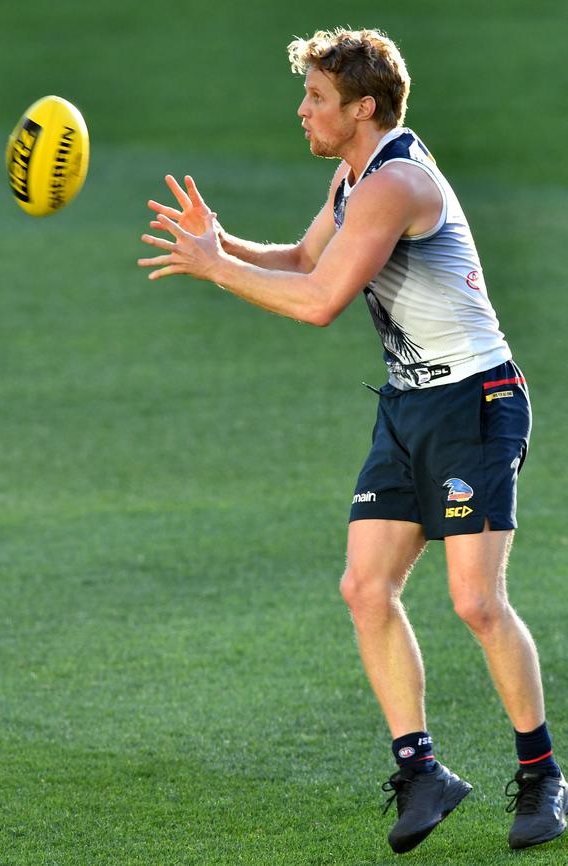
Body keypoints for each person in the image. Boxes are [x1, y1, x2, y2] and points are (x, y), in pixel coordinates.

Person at [137, 27, 566, 854]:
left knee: (475, 600)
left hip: (475, 402)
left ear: (363, 108)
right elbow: (303, 258)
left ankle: (543, 772)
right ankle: (422, 771)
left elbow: (319, 300)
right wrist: (220, 241)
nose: (302, 111)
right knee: (365, 588)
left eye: (317, 99)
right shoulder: (353, 177)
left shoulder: (397, 183)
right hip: (409, 405)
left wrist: (212, 269)